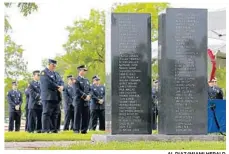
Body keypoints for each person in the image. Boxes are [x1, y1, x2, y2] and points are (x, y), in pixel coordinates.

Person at [40, 59, 64, 133]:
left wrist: (62, 87)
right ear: (49, 64)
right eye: (53, 65)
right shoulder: (44, 73)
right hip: (48, 96)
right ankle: (45, 130)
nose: (54, 67)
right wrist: (58, 87)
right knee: (47, 113)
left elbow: (61, 81)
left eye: (55, 65)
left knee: (55, 113)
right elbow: (48, 83)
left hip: (56, 97)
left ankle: (54, 129)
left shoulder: (56, 74)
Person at [72, 65, 91, 134]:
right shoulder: (75, 80)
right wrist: (85, 96)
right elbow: (77, 90)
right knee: (77, 115)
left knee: (86, 115)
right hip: (79, 100)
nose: (85, 72)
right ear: (80, 70)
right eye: (84, 70)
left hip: (86, 101)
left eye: (85, 70)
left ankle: (84, 130)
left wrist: (89, 95)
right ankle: (76, 130)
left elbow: (90, 90)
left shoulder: (87, 80)